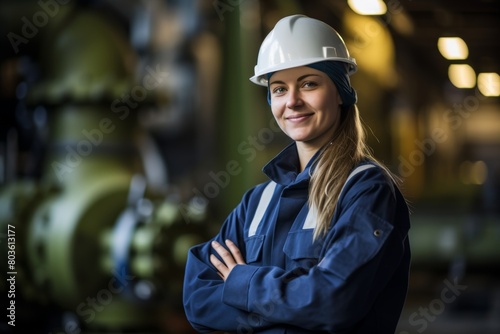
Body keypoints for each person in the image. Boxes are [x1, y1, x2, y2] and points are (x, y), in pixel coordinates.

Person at [183, 14, 411, 334]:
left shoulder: (366, 191)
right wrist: (289, 312)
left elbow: (333, 303)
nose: (292, 101)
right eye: (279, 89)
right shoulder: (257, 201)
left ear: (340, 92)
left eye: (308, 83)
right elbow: (197, 299)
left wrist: (242, 283)